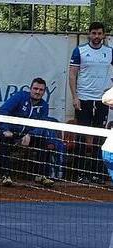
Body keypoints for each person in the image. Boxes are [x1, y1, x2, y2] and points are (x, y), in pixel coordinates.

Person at [69, 22, 113, 184]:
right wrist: (75, 96)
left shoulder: (109, 52)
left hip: (102, 101)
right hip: (84, 99)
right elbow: (72, 75)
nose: (96, 36)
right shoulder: (80, 50)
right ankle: (80, 172)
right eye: (93, 33)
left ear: (104, 35)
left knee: (100, 136)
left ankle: (97, 172)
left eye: (99, 33)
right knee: (81, 135)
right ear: (89, 34)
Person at [0, 77, 55, 187]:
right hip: (10, 132)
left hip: (27, 135)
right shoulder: (20, 97)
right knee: (4, 141)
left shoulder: (44, 106)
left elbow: (41, 124)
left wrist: (30, 134)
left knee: (44, 143)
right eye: (35, 88)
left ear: (44, 92)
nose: (37, 92)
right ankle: (6, 175)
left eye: (41, 90)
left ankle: (40, 175)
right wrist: (5, 129)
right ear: (30, 89)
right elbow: (3, 110)